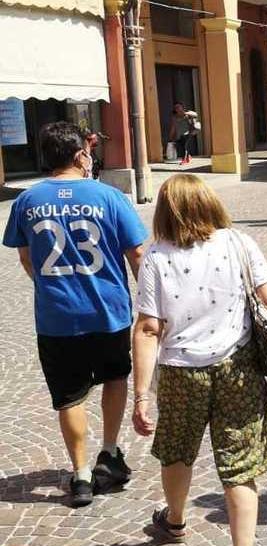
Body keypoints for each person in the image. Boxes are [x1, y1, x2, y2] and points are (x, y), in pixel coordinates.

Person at [131, 174, 267, 546]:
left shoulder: (156, 256)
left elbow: (149, 329)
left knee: (178, 450)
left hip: (182, 372)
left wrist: (140, 397)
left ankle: (175, 520)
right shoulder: (239, 242)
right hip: (238, 365)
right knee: (240, 465)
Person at [2, 122, 147, 507]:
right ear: (81, 154)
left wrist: (50, 286)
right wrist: (151, 304)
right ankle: (110, 451)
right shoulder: (110, 197)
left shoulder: (27, 202)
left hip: (57, 318)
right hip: (109, 312)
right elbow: (137, 254)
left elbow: (26, 257)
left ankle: (81, 474)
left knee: (68, 396)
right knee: (115, 377)